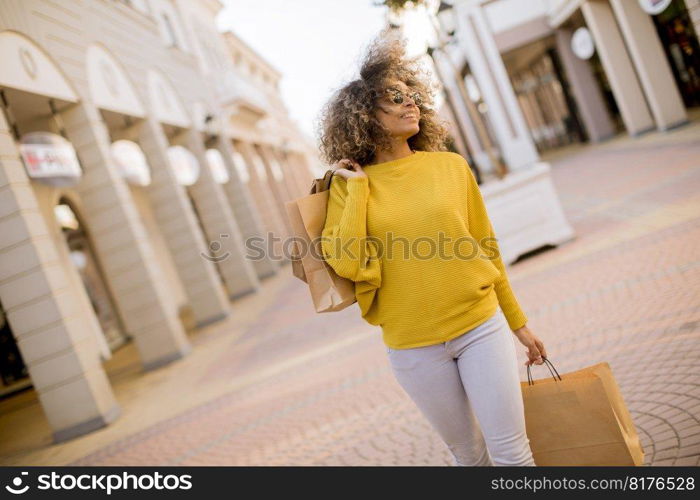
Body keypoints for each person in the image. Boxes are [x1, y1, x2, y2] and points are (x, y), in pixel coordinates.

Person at [316, 30, 548, 466]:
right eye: (396, 98)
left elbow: (486, 250)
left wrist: (519, 324)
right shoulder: (348, 188)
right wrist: (361, 191)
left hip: (480, 327)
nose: (412, 104)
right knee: (468, 457)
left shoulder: (450, 166)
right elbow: (346, 262)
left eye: (412, 96)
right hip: (412, 347)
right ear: (365, 115)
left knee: (512, 453)